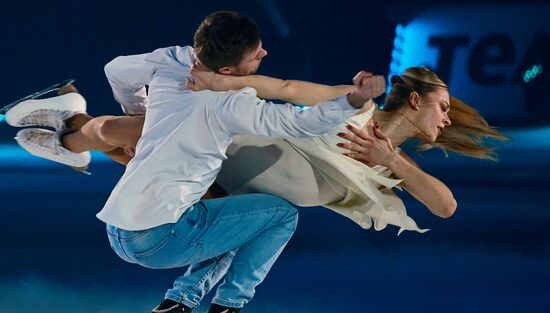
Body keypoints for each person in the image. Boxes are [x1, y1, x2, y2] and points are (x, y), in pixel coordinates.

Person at [6, 10, 386, 313]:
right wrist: (350, 102)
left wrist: (140, 109)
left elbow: (115, 69)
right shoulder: (231, 104)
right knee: (280, 215)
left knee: (235, 216)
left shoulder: (176, 61)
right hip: (157, 238)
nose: (264, 54)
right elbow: (298, 122)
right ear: (226, 70)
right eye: (256, 54)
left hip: (119, 231)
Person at [10, 66, 507, 233]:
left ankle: (68, 128)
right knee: (141, 135)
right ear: (415, 100)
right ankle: (69, 125)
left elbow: (445, 207)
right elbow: (287, 88)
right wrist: (223, 79)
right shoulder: (354, 108)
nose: (446, 119)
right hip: (231, 145)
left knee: (135, 149)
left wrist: (392, 161)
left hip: (226, 190)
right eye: (443, 107)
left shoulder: (385, 165)